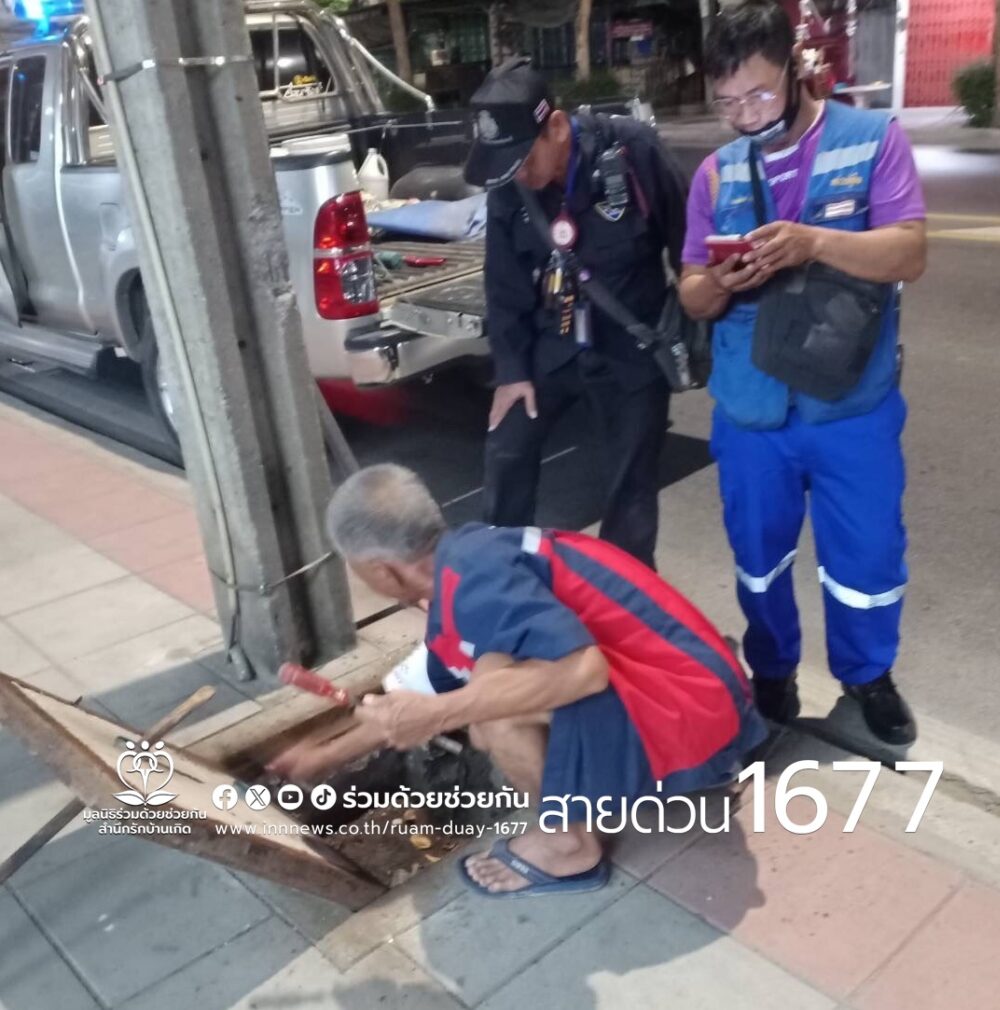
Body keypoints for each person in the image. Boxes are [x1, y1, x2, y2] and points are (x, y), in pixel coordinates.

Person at [271, 465, 766, 898]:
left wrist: (443, 713)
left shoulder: (476, 579)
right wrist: (324, 757)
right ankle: (605, 799)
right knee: (486, 689)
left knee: (495, 715)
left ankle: (569, 846)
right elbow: (416, 697)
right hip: (699, 696)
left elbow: (584, 670)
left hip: (698, 711)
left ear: (382, 571)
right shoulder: (467, 568)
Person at [679, 0, 927, 745]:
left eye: (757, 93)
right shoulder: (715, 175)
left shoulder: (872, 139)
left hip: (852, 404)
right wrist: (722, 282)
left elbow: (908, 252)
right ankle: (772, 669)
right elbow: (691, 294)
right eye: (727, 102)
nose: (745, 114)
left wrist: (814, 243)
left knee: (867, 555)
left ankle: (868, 676)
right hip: (753, 412)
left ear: (793, 70)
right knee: (758, 558)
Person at [463, 57, 688, 569]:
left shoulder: (635, 152)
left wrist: (698, 320)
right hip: (555, 341)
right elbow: (504, 284)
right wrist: (512, 372)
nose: (518, 174)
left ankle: (624, 595)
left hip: (632, 345)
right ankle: (504, 577)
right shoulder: (510, 183)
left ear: (558, 128)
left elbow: (688, 246)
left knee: (630, 496)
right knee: (507, 448)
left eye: (524, 158)